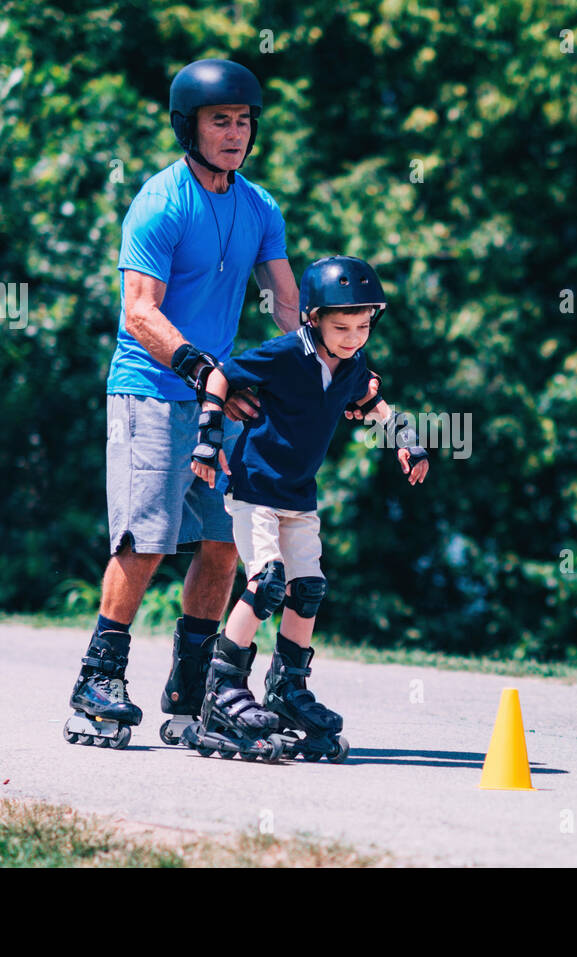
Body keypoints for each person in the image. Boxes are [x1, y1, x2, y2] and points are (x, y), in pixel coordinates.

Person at [63, 59, 376, 749]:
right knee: (145, 539)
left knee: (223, 542)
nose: (233, 134)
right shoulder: (160, 203)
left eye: (242, 122)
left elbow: (291, 304)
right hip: (149, 388)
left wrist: (328, 371)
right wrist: (204, 368)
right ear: (190, 126)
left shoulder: (260, 208)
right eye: (219, 121)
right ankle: (99, 677)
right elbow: (139, 311)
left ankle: (195, 689)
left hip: (222, 398)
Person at [183, 255, 430, 761]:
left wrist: (407, 439)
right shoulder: (284, 355)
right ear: (312, 318)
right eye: (341, 327)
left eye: (363, 326)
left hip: (299, 496)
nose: (353, 337)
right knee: (266, 580)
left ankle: (287, 688)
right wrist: (207, 438)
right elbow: (219, 377)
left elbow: (375, 402)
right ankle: (220, 691)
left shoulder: (353, 365)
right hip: (256, 489)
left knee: (308, 588)